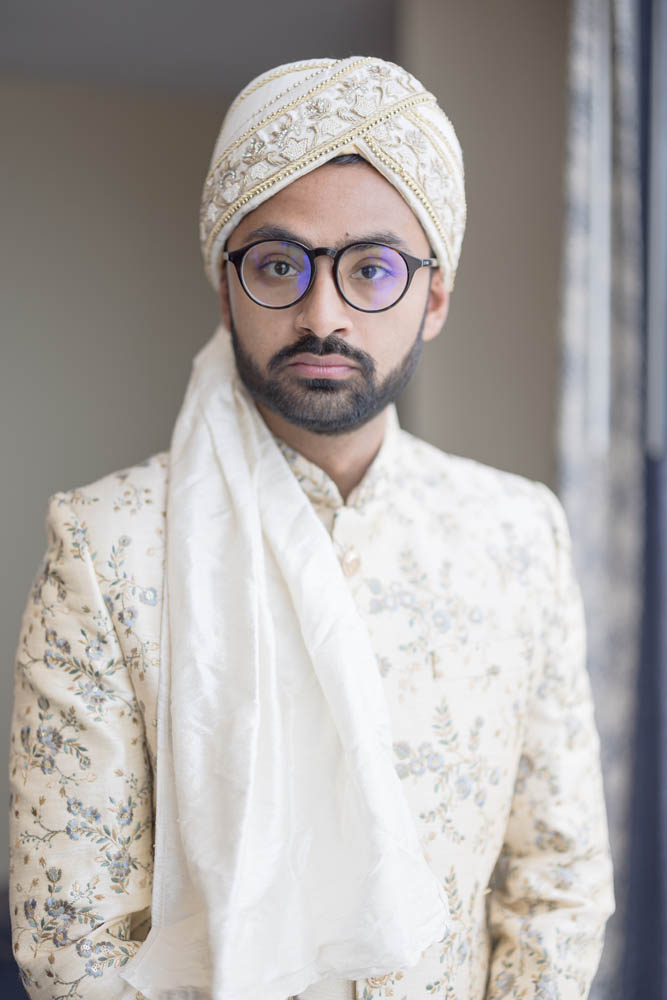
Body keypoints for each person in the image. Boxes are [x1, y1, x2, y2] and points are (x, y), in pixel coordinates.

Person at [9, 56, 614, 1000]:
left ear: (435, 297)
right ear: (225, 287)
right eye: (278, 265)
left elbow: (559, 880)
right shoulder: (108, 544)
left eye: (371, 267)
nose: (320, 314)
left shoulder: (515, 534)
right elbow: (69, 936)